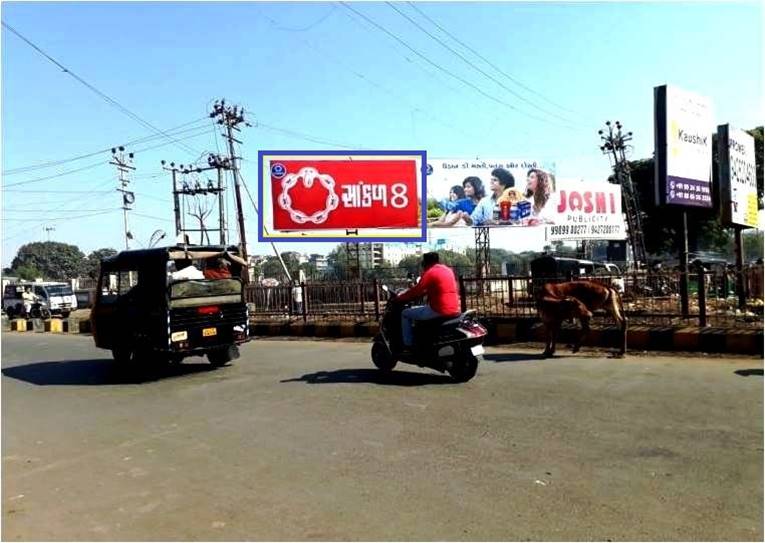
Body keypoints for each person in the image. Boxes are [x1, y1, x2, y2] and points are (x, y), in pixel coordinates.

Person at [395, 252, 461, 350]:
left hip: (439, 309)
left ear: (425, 263)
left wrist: (400, 298)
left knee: (405, 313)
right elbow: (439, 287)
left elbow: (417, 290)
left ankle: (408, 344)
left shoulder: (430, 272)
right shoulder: (448, 270)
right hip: (455, 308)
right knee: (421, 310)